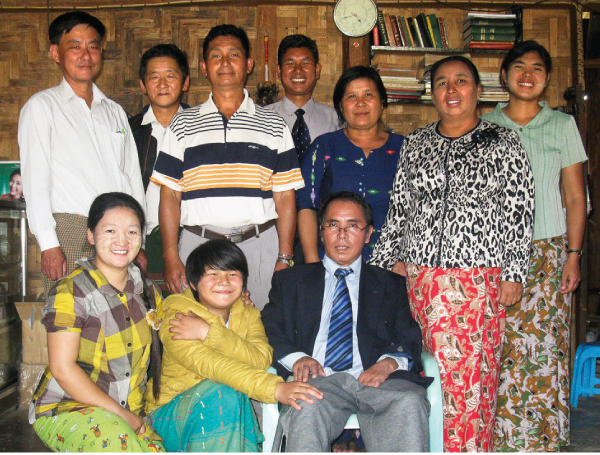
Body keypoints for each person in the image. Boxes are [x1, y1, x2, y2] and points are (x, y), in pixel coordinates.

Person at [370, 56, 535, 452]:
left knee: (472, 381)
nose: (451, 90)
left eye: (461, 80)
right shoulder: (417, 143)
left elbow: (519, 210)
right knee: (425, 372)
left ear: (478, 91)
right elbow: (400, 208)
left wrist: (514, 273)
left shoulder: (503, 141)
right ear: (433, 94)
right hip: (421, 281)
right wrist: (383, 265)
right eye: (442, 82)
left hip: (477, 282)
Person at [262, 191, 430, 452]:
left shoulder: (389, 284)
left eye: (352, 226)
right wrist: (298, 358)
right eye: (333, 225)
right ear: (321, 232)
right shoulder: (291, 281)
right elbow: (269, 327)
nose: (342, 235)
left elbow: (408, 334)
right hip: (318, 381)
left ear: (368, 234)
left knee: (408, 402)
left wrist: (387, 364)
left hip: (378, 380)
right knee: (305, 404)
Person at [481, 40, 587, 452]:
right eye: (519, 67)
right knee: (499, 345)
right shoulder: (484, 124)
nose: (528, 75)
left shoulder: (561, 125)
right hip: (492, 254)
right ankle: (498, 439)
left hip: (547, 251)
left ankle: (542, 441)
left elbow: (575, 197)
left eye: (537, 68)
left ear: (546, 79)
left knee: (543, 348)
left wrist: (573, 256)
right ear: (504, 75)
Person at [151, 24, 303, 310]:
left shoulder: (274, 124)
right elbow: (169, 195)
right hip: (198, 245)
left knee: (260, 326)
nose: (225, 63)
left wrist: (284, 257)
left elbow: (285, 196)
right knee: (198, 329)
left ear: (248, 64)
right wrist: (171, 256)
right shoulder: (182, 124)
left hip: (259, 246)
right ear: (203, 67)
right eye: (216, 55)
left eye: (234, 54)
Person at [144, 239, 322, 452]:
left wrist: (209, 333)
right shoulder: (178, 318)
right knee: (224, 392)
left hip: (225, 411)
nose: (224, 282)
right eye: (213, 274)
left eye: (232, 274)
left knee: (228, 395)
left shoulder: (249, 314)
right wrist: (274, 388)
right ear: (193, 283)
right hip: (170, 417)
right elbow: (214, 366)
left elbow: (261, 358)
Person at [18, 11, 146, 300]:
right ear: (56, 53)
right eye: (75, 46)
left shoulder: (114, 111)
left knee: (120, 314)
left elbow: (132, 179)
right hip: (70, 230)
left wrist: (140, 238)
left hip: (120, 233)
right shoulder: (42, 107)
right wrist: (49, 243)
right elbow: (35, 180)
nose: (86, 55)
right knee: (73, 314)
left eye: (93, 46)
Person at [30, 192, 164, 452]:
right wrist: (122, 415)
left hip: (131, 412)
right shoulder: (71, 291)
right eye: (110, 231)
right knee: (120, 444)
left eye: (132, 232)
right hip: (68, 408)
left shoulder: (148, 291)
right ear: (91, 236)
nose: (122, 241)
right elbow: (62, 369)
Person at [296, 66, 402, 263]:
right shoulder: (324, 146)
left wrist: (403, 261)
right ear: (340, 106)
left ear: (382, 101)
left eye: (368, 95)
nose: (360, 103)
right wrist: (313, 262)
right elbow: (307, 206)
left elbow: (415, 210)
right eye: (351, 96)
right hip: (331, 261)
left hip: (392, 263)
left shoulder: (404, 148)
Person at [129, 44, 191, 275]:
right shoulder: (129, 131)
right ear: (143, 85)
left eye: (170, 76)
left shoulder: (201, 129)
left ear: (185, 82)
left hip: (193, 237)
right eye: (154, 77)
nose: (162, 84)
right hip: (143, 241)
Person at [266, 34, 339, 162]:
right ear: (279, 71)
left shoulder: (335, 120)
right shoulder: (263, 118)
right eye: (290, 63)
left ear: (317, 70)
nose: (298, 70)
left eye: (305, 63)